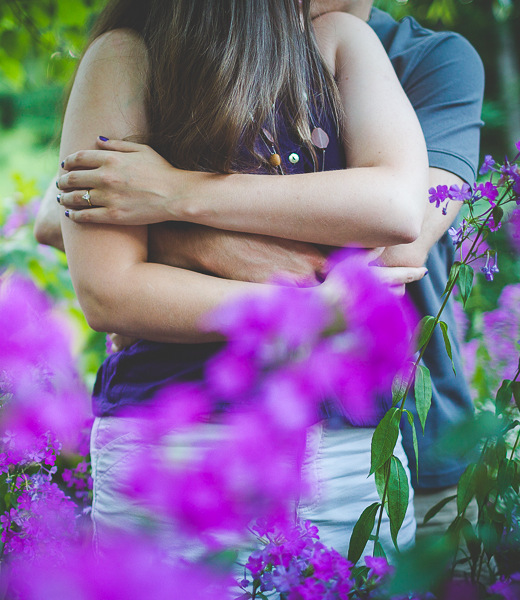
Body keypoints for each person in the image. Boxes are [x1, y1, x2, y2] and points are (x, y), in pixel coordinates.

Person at [36, 0, 484, 543]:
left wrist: (174, 200)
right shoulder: (124, 57)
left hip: (338, 444)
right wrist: (305, 309)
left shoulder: (343, 42)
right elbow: (107, 291)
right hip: (167, 435)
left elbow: (396, 211)